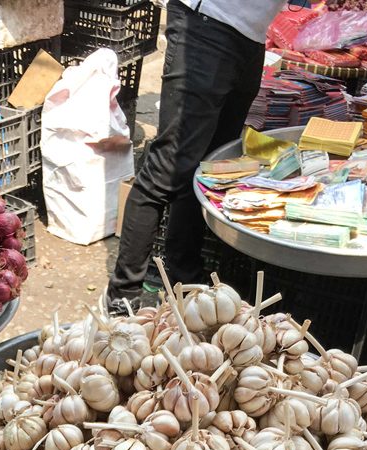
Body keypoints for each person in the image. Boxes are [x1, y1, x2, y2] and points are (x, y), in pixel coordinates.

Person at [107, 0, 287, 309]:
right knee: (169, 167)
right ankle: (122, 296)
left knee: (209, 168)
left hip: (251, 37)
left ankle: (185, 277)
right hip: (209, 25)